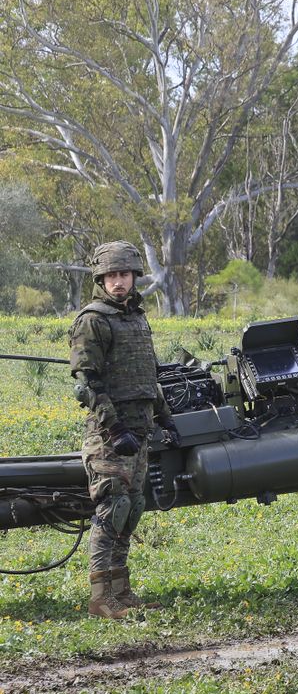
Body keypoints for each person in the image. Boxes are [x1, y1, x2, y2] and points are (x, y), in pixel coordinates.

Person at [68, 240, 176, 620]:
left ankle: (121, 591)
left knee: (131, 510)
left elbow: (148, 376)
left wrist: (165, 417)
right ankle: (100, 598)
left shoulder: (137, 318)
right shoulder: (93, 320)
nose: (118, 282)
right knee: (112, 510)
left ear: (134, 277)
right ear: (101, 279)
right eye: (111, 275)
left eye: (124, 274)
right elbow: (87, 384)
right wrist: (114, 429)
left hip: (139, 432)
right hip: (109, 436)